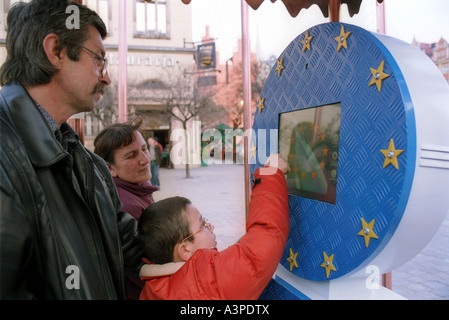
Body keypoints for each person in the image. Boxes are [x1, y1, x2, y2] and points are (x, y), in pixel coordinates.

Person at [0, 0, 142, 299]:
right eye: (98, 60)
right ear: (56, 52)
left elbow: (129, 245)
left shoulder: (88, 164)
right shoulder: (6, 155)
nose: (106, 77)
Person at [138, 154, 290, 300]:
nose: (210, 226)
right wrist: (271, 173)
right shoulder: (205, 279)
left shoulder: (153, 286)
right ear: (185, 249)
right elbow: (263, 242)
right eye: (202, 224)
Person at [94, 117, 158, 300]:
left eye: (144, 149)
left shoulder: (135, 188)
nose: (145, 159)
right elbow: (144, 270)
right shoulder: (126, 206)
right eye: (131, 155)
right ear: (109, 168)